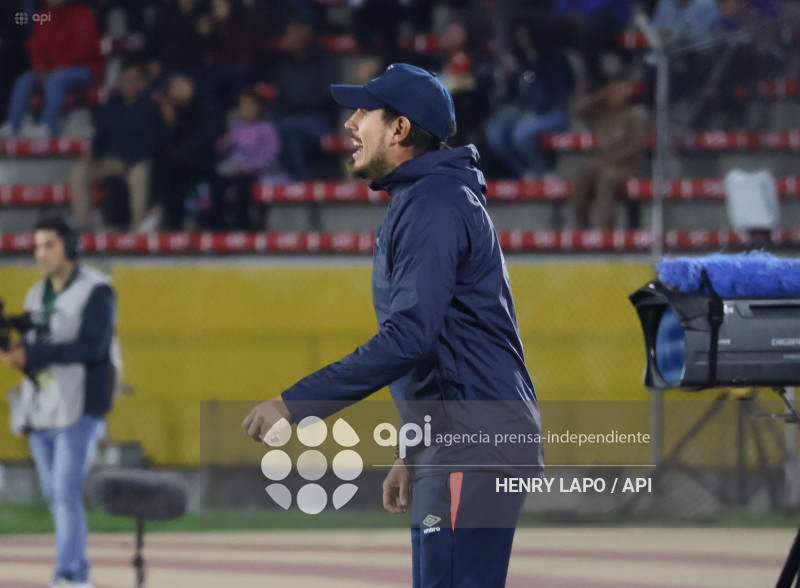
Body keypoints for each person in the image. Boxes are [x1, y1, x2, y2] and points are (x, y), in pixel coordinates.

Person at [242, 63, 544, 588]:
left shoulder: (433, 205)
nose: (350, 123)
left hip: (471, 443)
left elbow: (410, 339)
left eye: (364, 112)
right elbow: (442, 347)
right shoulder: (427, 198)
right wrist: (413, 449)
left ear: (400, 129)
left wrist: (295, 404)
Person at [1, 216, 120, 588]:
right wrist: (17, 355)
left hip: (80, 404)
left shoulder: (97, 290)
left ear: (69, 247)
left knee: (66, 491)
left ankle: (69, 574)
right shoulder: (35, 295)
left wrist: (33, 353)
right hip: (42, 406)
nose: (41, 253)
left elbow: (92, 346)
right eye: (37, 246)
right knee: (55, 494)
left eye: (49, 245)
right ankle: (77, 571)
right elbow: (36, 354)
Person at [69, 60, 163, 232]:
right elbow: (101, 133)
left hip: (136, 161)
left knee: (139, 174)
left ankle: (137, 226)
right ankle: (81, 223)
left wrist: (129, 162)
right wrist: (93, 151)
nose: (129, 84)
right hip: (110, 160)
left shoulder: (151, 106)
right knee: (80, 171)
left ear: (143, 82)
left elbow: (152, 142)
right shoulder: (113, 103)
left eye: (134, 79)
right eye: (125, 79)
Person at [0, 0, 105, 139]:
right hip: (51, 72)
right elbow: (36, 46)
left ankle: (48, 126)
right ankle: (12, 125)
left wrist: (57, 68)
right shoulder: (44, 16)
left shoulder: (83, 13)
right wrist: (40, 69)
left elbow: (84, 49)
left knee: (56, 79)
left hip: (85, 70)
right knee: (25, 79)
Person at [485, 20, 574, 179]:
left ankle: (543, 173)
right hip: (527, 112)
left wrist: (535, 111)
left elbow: (557, 94)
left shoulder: (554, 59)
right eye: (519, 36)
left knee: (521, 133)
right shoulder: (524, 62)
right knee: (495, 131)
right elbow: (518, 94)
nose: (523, 40)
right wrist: (510, 76)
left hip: (554, 113)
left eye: (525, 35)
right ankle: (524, 172)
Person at [570, 80, 650, 230]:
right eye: (612, 92)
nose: (616, 96)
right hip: (605, 163)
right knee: (584, 173)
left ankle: (607, 227)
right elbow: (577, 111)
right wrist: (598, 96)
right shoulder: (601, 114)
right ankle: (582, 225)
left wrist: (609, 160)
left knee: (606, 177)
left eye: (619, 92)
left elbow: (635, 146)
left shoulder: (634, 114)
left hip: (628, 167)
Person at [209, 90, 287, 230]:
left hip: (259, 173)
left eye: (248, 105)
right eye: (242, 105)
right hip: (235, 170)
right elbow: (222, 149)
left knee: (243, 183)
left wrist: (247, 167)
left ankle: (245, 224)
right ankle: (220, 224)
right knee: (218, 181)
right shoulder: (237, 127)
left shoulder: (267, 129)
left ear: (258, 107)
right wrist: (229, 134)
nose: (244, 109)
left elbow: (269, 157)